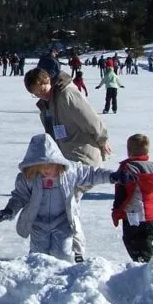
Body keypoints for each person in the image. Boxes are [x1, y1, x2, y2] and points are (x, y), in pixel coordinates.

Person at [0, 134, 132, 262]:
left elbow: (92, 174)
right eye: (41, 167)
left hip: (62, 220)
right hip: (38, 222)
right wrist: (8, 211)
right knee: (39, 257)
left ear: (57, 161)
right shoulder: (28, 178)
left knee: (63, 254)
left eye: (50, 165)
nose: (46, 170)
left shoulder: (71, 171)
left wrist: (112, 176)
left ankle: (65, 279)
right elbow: (19, 196)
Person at [25, 67, 111, 262]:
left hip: (81, 156)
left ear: (49, 80)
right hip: (65, 160)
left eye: (42, 89)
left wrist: (102, 139)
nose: (41, 94)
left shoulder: (67, 95)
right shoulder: (47, 105)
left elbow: (90, 117)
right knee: (67, 205)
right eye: (36, 93)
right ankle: (62, 251)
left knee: (68, 207)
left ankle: (75, 251)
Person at [111, 134, 153, 262]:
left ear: (129, 150)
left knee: (133, 243)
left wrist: (116, 211)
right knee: (145, 242)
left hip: (134, 216)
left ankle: (147, 267)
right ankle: (149, 265)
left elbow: (121, 192)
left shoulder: (127, 169)